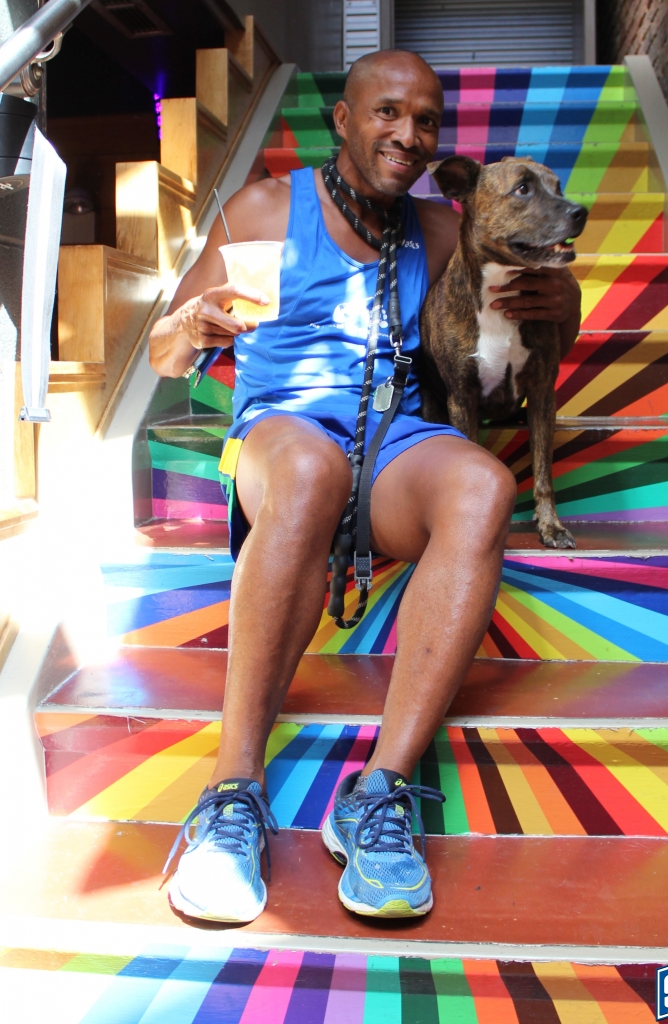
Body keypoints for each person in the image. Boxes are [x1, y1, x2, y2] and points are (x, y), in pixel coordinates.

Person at [150, 49, 581, 924]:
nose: (407, 134)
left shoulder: (439, 227)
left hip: (391, 441)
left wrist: (558, 297)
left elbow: (531, 285)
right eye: (387, 112)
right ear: (344, 119)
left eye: (425, 121)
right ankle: (233, 794)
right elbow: (165, 355)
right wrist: (192, 323)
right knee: (311, 470)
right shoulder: (266, 207)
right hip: (282, 436)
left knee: (481, 485)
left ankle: (378, 795)